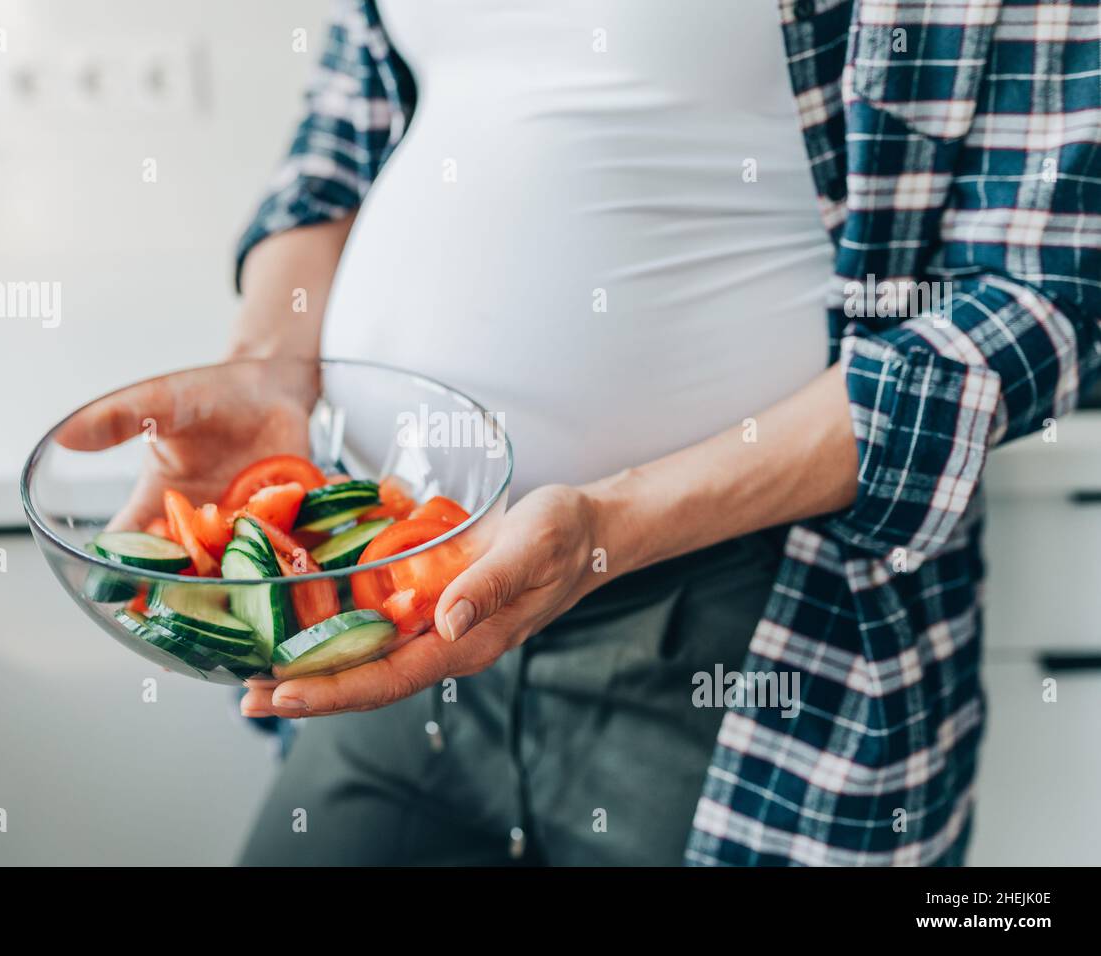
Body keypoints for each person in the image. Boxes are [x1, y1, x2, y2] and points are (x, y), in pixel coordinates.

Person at [63, 0, 1101, 865]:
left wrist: (611, 519)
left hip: (758, 629)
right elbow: (344, 129)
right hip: (385, 588)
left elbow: (1043, 294)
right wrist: (266, 366)